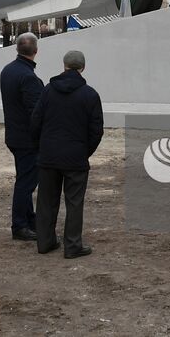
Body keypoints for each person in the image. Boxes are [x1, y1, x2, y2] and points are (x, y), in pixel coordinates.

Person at [31, 50, 103, 258]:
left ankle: (44, 242)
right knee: (74, 202)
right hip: (76, 156)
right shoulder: (90, 94)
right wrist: (84, 151)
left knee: (46, 200)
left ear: (64, 66)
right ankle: (72, 246)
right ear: (83, 68)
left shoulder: (47, 91)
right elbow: (96, 130)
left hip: (48, 155)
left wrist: (41, 147)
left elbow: (36, 121)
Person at [0, 32, 45, 240]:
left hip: (13, 134)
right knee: (26, 182)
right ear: (35, 51)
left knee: (24, 178)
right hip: (27, 139)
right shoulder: (29, 77)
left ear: (17, 48)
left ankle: (28, 218)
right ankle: (19, 224)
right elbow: (36, 112)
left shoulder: (7, 71)